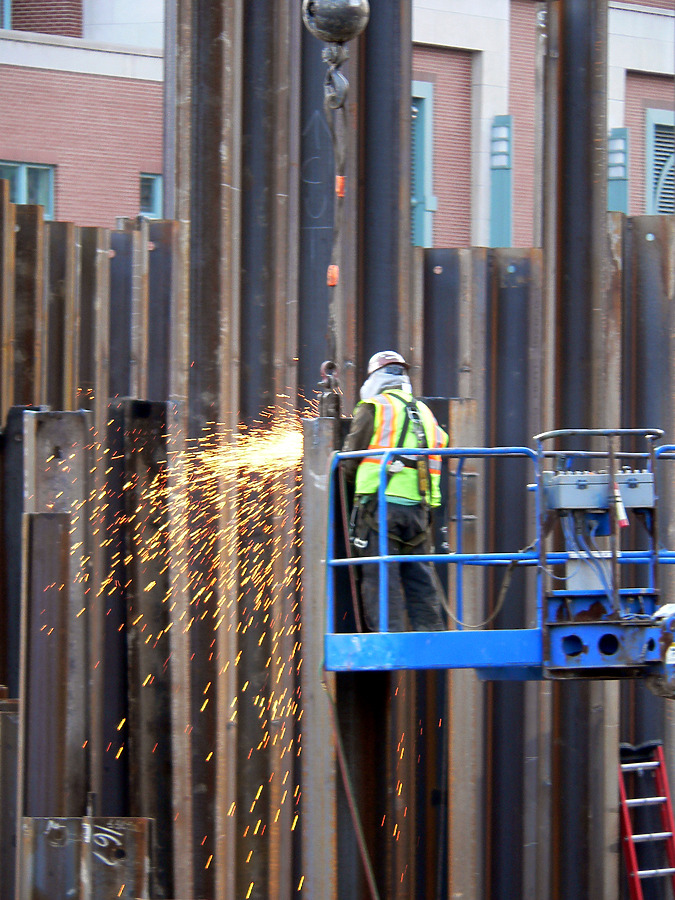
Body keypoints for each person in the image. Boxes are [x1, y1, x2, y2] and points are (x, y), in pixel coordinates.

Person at [341, 350, 448, 632]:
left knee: (379, 573)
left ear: (374, 378)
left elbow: (349, 458)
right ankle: (431, 634)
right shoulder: (425, 412)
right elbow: (442, 444)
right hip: (419, 510)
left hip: (380, 507)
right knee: (419, 574)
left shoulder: (373, 406)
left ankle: (387, 637)